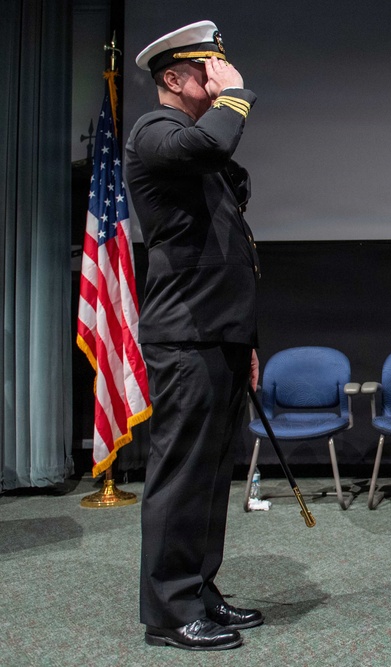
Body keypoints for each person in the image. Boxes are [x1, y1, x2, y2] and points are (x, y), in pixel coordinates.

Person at [126, 21, 263, 651]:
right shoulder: (157, 133)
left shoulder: (198, 150)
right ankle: (169, 611)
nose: (221, 78)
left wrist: (245, 340)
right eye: (209, 70)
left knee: (211, 477)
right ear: (174, 79)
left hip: (218, 335)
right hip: (185, 337)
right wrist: (235, 97)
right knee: (181, 475)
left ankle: (200, 589)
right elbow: (208, 148)